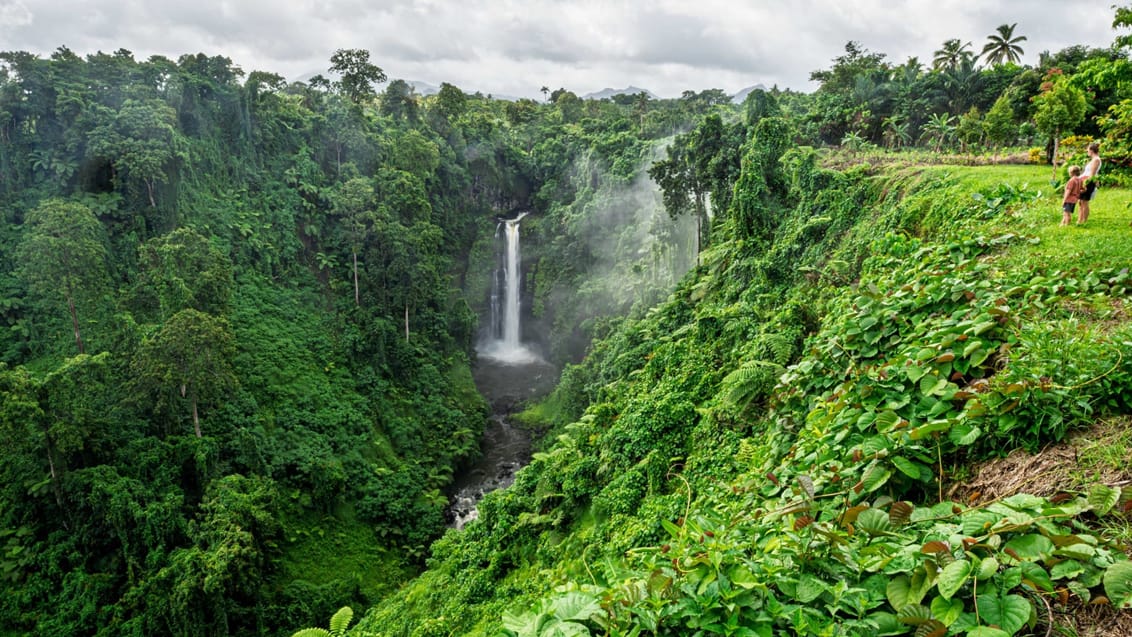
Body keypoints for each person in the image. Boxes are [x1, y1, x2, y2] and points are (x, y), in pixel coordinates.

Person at [1077, 142, 1102, 225]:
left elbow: (1092, 174)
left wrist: (1085, 184)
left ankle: (1084, 220)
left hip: (1088, 182)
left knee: (1084, 202)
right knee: (1081, 202)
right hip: (1084, 180)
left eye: (1088, 150)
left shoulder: (1096, 160)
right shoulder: (1093, 160)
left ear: (1091, 150)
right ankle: (1080, 219)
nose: (1087, 151)